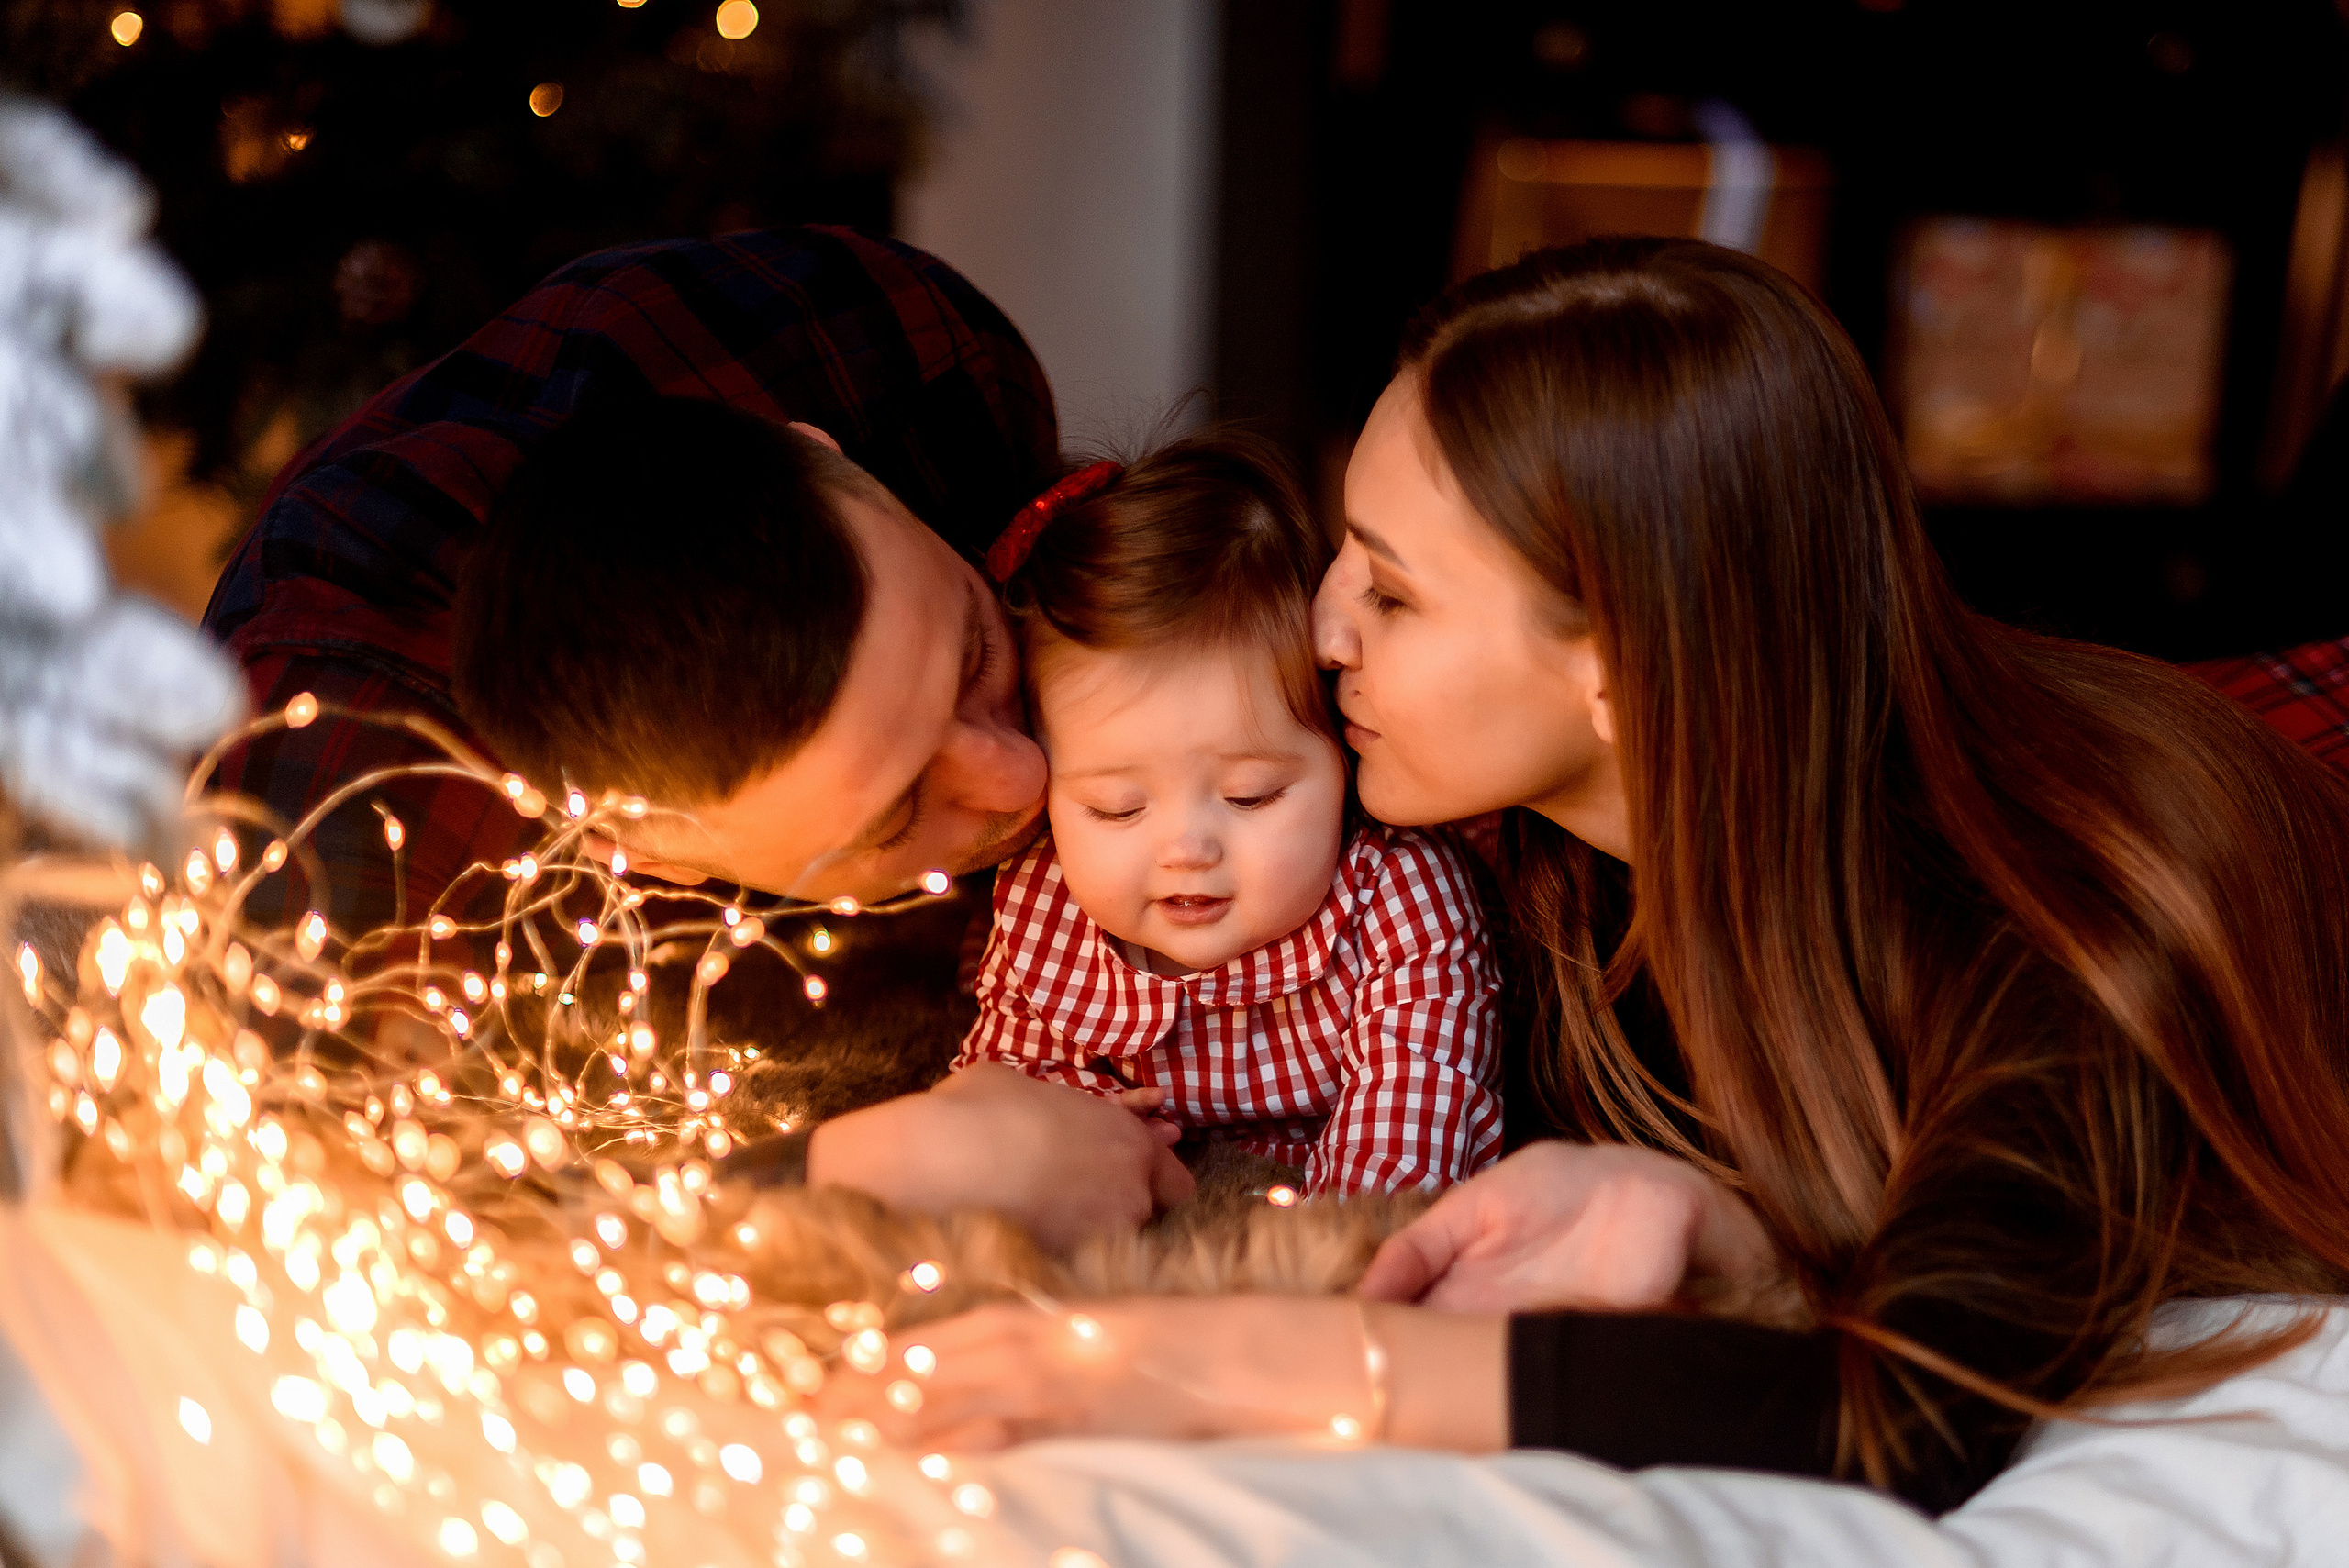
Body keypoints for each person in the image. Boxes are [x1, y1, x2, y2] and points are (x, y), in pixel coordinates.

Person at [819, 238, 2349, 1515]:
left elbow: (1908, 1414)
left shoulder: (2076, 905)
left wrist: (1246, 1361)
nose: (1326, 627)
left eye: (1397, 592)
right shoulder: (1518, 862)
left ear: (1619, 660)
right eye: (1347, 550)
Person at [201, 227, 1191, 1246]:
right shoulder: (331, 800)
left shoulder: (914, 350)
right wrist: (869, 1166)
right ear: (638, 848)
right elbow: (297, 1189)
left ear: (824, 453)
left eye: (973, 654)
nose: (1022, 774)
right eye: (896, 814)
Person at [953, 433, 1501, 1195]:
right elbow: (1003, 1100)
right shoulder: (1049, 901)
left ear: (1341, 759)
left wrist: (1334, 1257)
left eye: (1250, 795)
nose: (1186, 848)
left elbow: (1415, 1108)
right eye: (1117, 808)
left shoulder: (1397, 896)